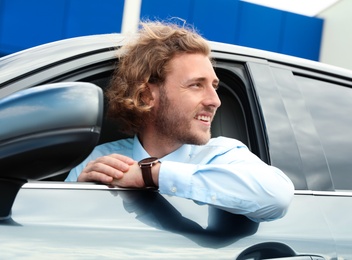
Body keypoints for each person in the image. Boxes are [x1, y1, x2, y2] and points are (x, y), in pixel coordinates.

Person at [65, 21, 294, 222]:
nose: (215, 101)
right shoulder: (97, 162)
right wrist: (83, 196)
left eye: (214, 86)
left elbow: (277, 196)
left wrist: (150, 174)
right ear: (146, 95)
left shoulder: (223, 155)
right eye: (196, 85)